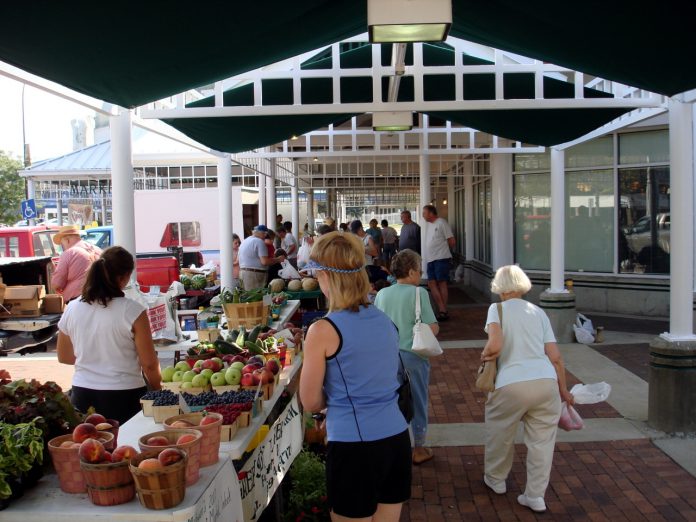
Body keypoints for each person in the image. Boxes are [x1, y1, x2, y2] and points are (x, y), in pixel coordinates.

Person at [299, 231, 411, 521]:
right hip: (396, 438)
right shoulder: (384, 319)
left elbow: (310, 401)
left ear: (326, 277)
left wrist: (332, 399)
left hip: (355, 446)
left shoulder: (322, 330)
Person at [480, 265, 574, 513]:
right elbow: (555, 357)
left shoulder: (496, 309)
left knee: (500, 432)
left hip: (511, 383)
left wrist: (484, 355)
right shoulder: (538, 312)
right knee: (542, 442)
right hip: (545, 383)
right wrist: (564, 391)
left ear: (499, 287)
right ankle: (535, 495)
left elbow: (495, 345)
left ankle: (496, 479)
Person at [56, 246, 162, 424]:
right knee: (126, 449)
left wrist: (94, 358)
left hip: (82, 395)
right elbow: (149, 364)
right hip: (125, 397)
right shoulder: (133, 311)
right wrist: (159, 390)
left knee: (91, 449)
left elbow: (64, 356)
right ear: (125, 277)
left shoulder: (72, 308)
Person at [375, 249, 439, 465]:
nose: (421, 274)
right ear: (411, 271)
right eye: (419, 269)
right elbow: (432, 327)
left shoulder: (382, 294)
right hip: (413, 356)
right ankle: (418, 448)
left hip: (387, 357)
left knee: (391, 401)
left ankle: (393, 445)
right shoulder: (419, 293)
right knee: (417, 401)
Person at [52, 225, 102, 303]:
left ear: (67, 240)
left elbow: (57, 284)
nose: (63, 247)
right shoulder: (97, 249)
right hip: (100, 297)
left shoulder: (69, 253)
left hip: (78, 299)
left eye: (62, 243)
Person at [422, 205, 454, 321]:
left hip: (441, 258)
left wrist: (443, 252)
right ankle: (442, 309)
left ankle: (442, 310)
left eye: (424, 213)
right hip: (431, 259)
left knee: (442, 283)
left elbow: (451, 241)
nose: (423, 215)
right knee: (431, 283)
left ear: (431, 213)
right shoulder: (429, 225)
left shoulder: (441, 223)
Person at [238, 225, 286, 290]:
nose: (265, 236)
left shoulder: (245, 241)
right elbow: (265, 261)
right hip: (254, 275)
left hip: (243, 273)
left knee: (248, 297)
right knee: (256, 298)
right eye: (265, 234)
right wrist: (278, 259)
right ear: (263, 233)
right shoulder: (259, 241)